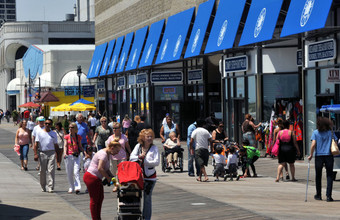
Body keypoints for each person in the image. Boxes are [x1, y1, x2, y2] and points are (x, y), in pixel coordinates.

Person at [83, 137, 121, 220]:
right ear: (112, 148)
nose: (116, 153)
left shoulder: (108, 154)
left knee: (100, 198)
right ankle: (95, 218)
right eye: (116, 151)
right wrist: (108, 178)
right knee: (94, 200)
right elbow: (100, 168)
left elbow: (106, 169)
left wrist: (112, 177)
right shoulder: (103, 154)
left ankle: (97, 217)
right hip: (91, 177)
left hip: (96, 178)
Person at [130, 129, 159, 220]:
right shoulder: (138, 146)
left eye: (151, 136)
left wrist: (145, 160)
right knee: (136, 197)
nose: (150, 138)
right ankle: (137, 216)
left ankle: (146, 218)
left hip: (150, 177)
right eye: (148, 136)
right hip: (138, 177)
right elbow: (131, 157)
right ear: (143, 137)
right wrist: (139, 157)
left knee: (147, 198)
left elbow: (156, 162)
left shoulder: (154, 148)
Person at [308, 117, 336, 202]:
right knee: (329, 175)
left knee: (318, 175)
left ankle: (318, 194)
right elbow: (335, 141)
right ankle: (328, 196)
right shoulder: (330, 133)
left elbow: (313, 145)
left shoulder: (315, 133)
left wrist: (311, 154)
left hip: (319, 156)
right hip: (329, 155)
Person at [33, 119, 58, 193]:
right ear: (44, 124)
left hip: (51, 152)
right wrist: (35, 154)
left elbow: (55, 144)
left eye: (49, 124)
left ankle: (50, 187)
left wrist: (58, 154)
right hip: (42, 152)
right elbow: (36, 144)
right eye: (46, 123)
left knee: (51, 170)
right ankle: (43, 186)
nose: (47, 125)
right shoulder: (39, 132)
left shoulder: (53, 134)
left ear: (51, 125)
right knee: (42, 171)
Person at [105, 122, 132, 191]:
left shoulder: (124, 137)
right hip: (113, 157)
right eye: (113, 128)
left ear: (119, 129)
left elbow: (127, 146)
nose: (114, 129)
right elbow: (108, 148)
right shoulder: (110, 138)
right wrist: (107, 156)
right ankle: (116, 184)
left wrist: (130, 153)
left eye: (116, 128)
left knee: (121, 171)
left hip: (122, 156)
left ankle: (119, 184)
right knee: (113, 172)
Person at [64, 122, 83, 194]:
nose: (70, 129)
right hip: (69, 156)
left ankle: (77, 187)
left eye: (72, 127)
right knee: (69, 172)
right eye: (69, 127)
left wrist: (84, 152)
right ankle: (71, 187)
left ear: (75, 129)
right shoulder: (67, 137)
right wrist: (65, 153)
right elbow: (65, 146)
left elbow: (80, 146)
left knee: (76, 172)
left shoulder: (78, 137)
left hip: (76, 156)